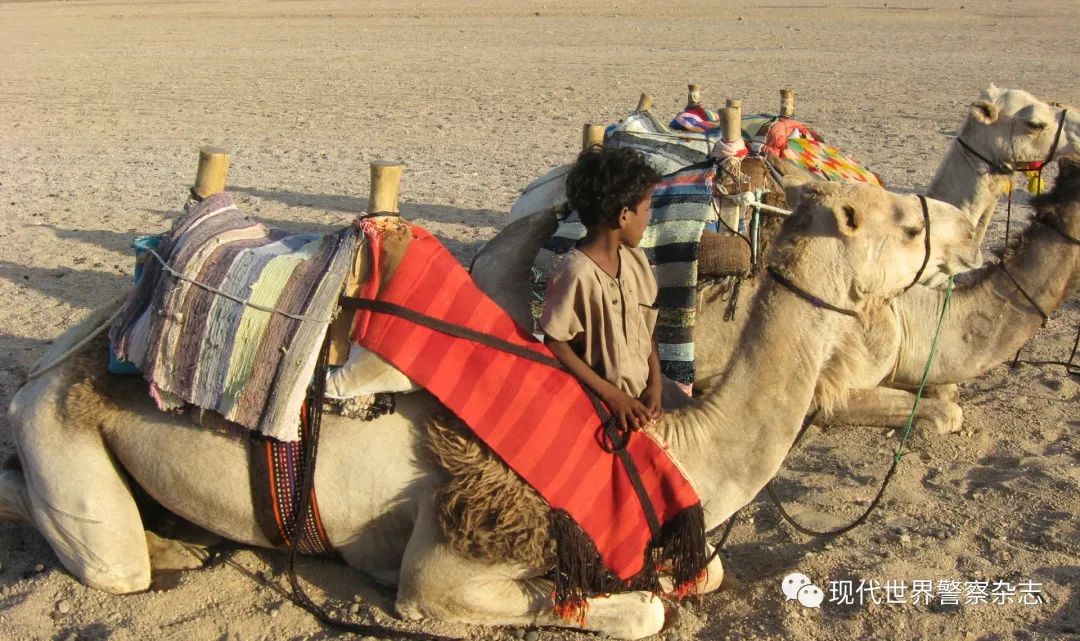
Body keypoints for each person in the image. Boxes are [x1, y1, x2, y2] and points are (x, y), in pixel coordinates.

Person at [541, 146, 664, 432]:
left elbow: (648, 330)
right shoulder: (576, 273)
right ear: (624, 216)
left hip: (643, 399)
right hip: (600, 406)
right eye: (646, 210)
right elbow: (556, 342)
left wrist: (656, 384)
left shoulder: (637, 261)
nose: (648, 220)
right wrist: (613, 396)